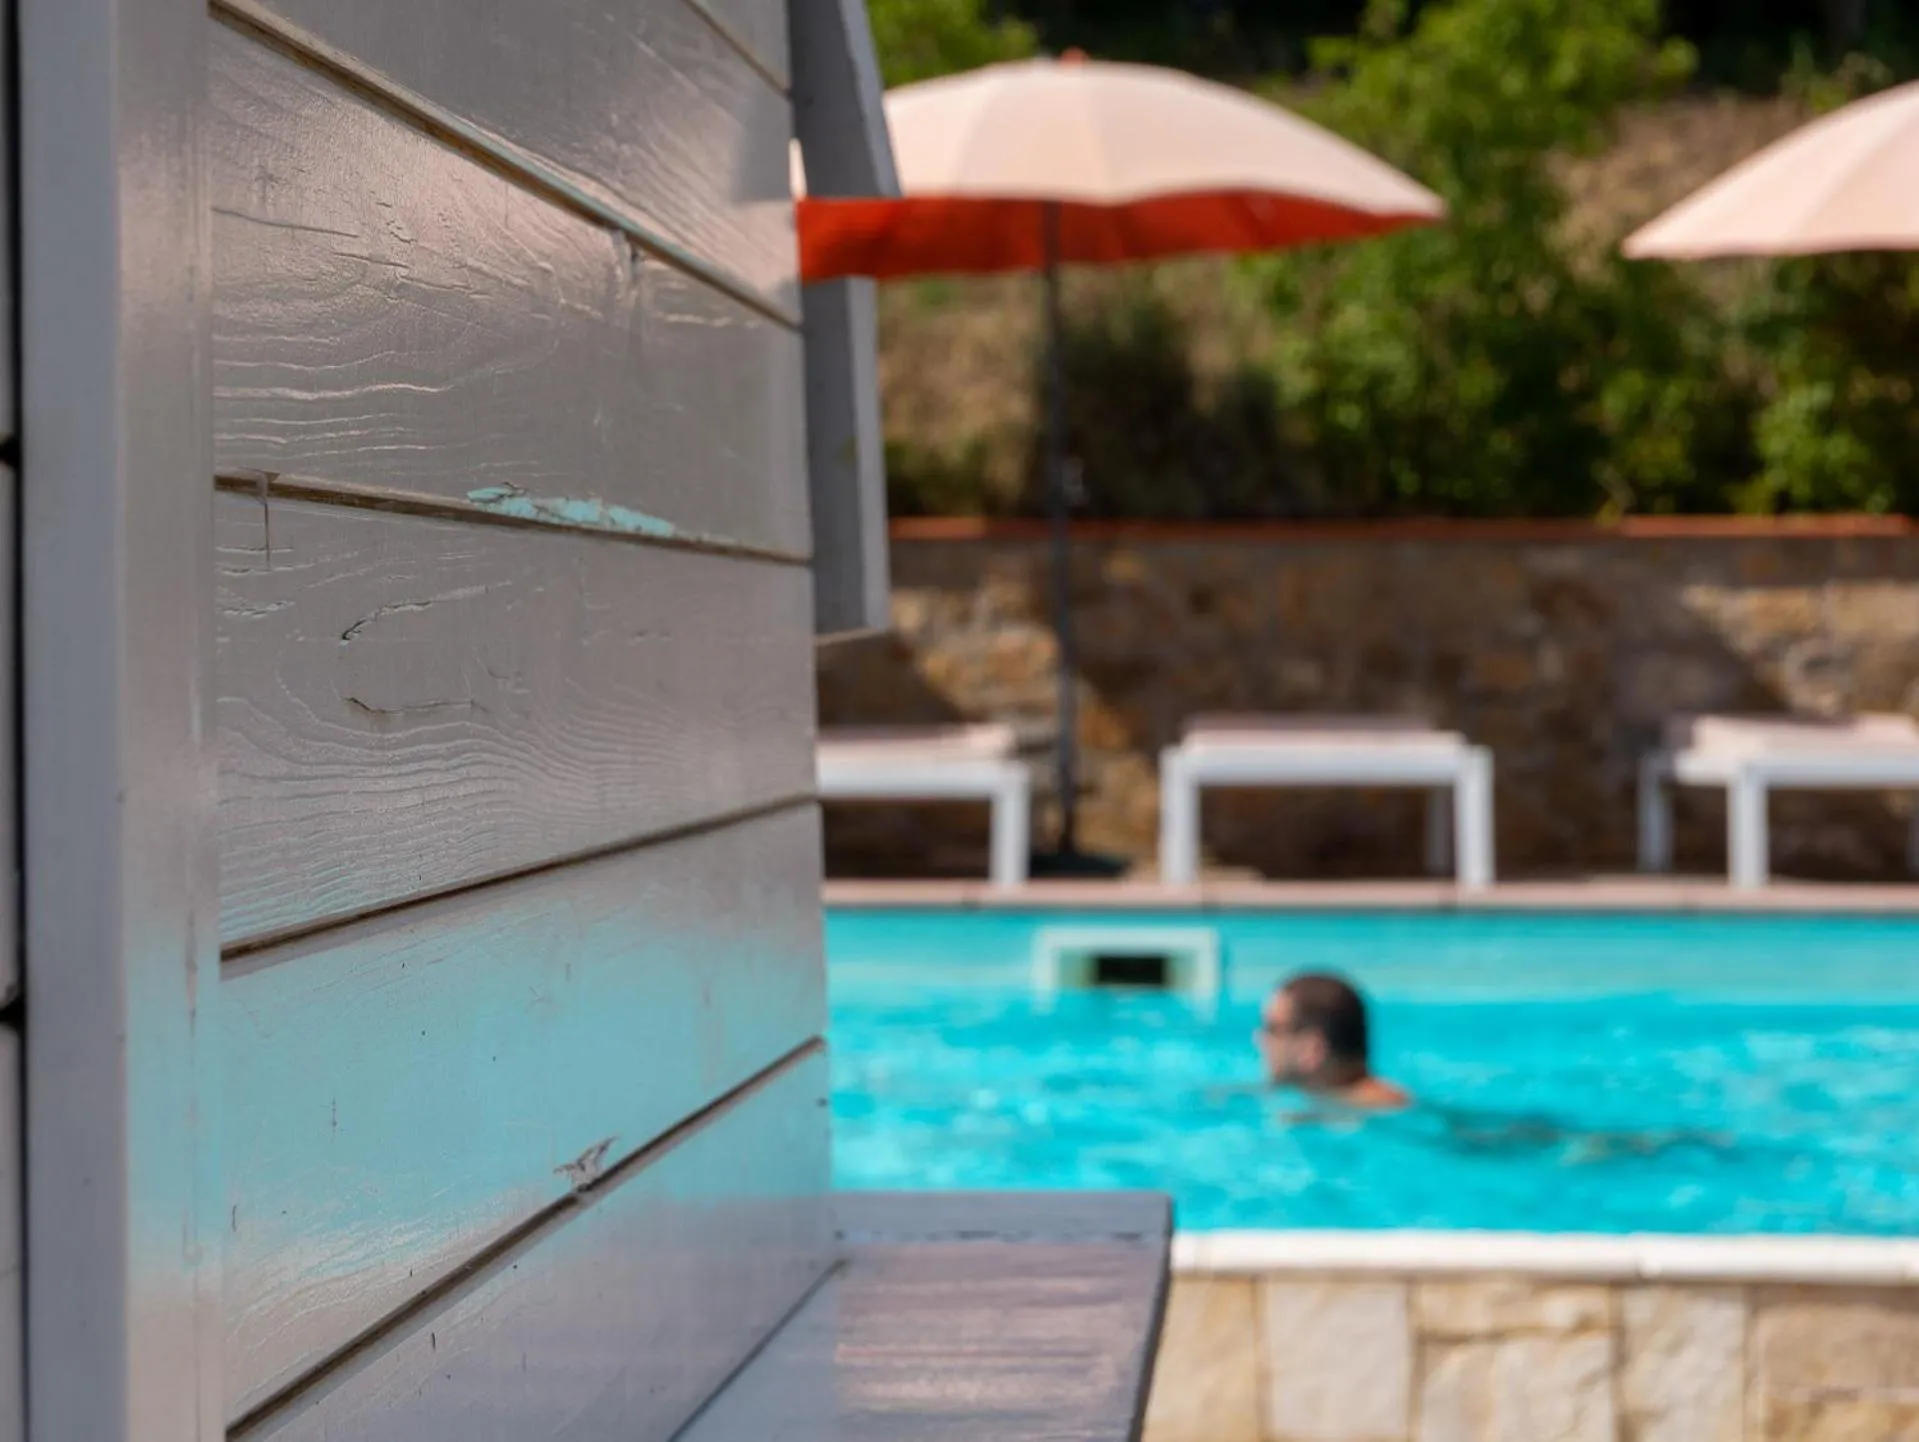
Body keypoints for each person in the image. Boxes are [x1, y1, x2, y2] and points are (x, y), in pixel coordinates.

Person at [1256, 972, 1410, 1111]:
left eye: (1272, 1029)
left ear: (1312, 1048)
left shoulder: (1378, 1110)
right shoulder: (1338, 1105)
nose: (1259, 1039)